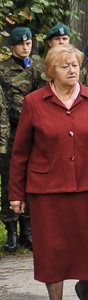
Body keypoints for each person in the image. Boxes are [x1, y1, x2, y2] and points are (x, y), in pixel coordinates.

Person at [10, 44, 88, 300]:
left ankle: (85, 289)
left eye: (75, 65)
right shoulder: (34, 102)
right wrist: (16, 194)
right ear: (51, 71)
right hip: (47, 191)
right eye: (65, 66)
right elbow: (20, 152)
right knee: (52, 251)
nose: (72, 70)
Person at [0, 28, 28, 251]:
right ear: (13, 46)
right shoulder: (3, 69)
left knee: (31, 179)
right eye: (21, 44)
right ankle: (11, 232)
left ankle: (28, 230)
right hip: (11, 131)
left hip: (33, 131)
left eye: (28, 43)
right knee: (11, 180)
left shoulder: (38, 68)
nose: (25, 47)